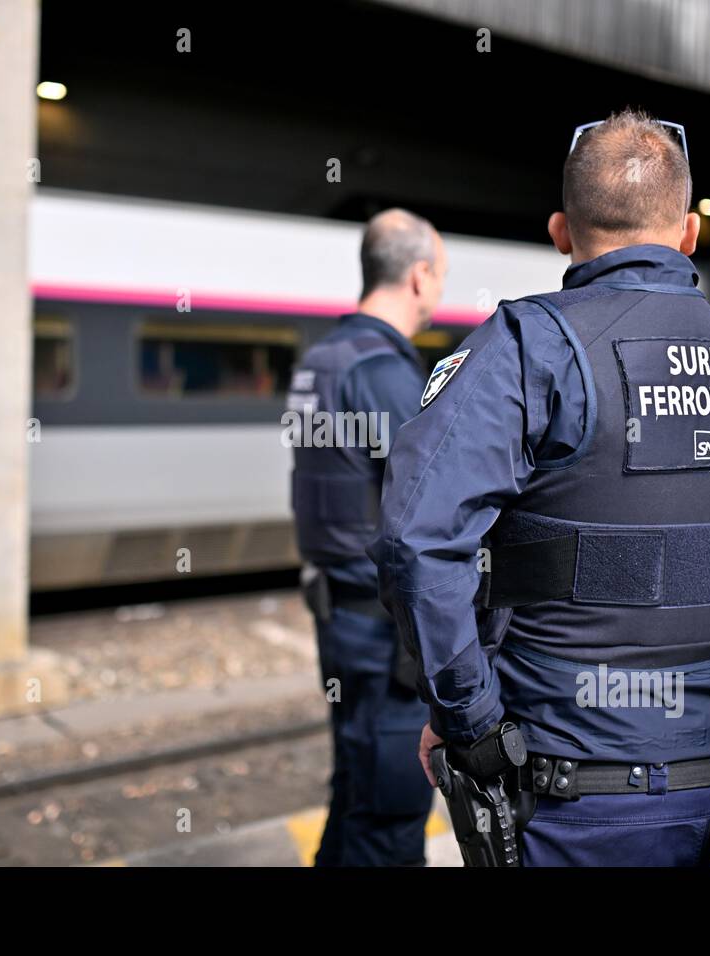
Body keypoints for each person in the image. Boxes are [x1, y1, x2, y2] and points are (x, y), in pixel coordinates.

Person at [368, 111, 710, 866]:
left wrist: (469, 718)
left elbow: (417, 539)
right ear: (689, 234)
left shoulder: (528, 348)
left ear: (562, 231)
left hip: (568, 799)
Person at [288, 208, 448, 866]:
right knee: (388, 812)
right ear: (418, 276)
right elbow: (429, 511)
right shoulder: (385, 374)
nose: (440, 290)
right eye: (441, 276)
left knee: (355, 796)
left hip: (340, 622)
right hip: (386, 643)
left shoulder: (322, 359)